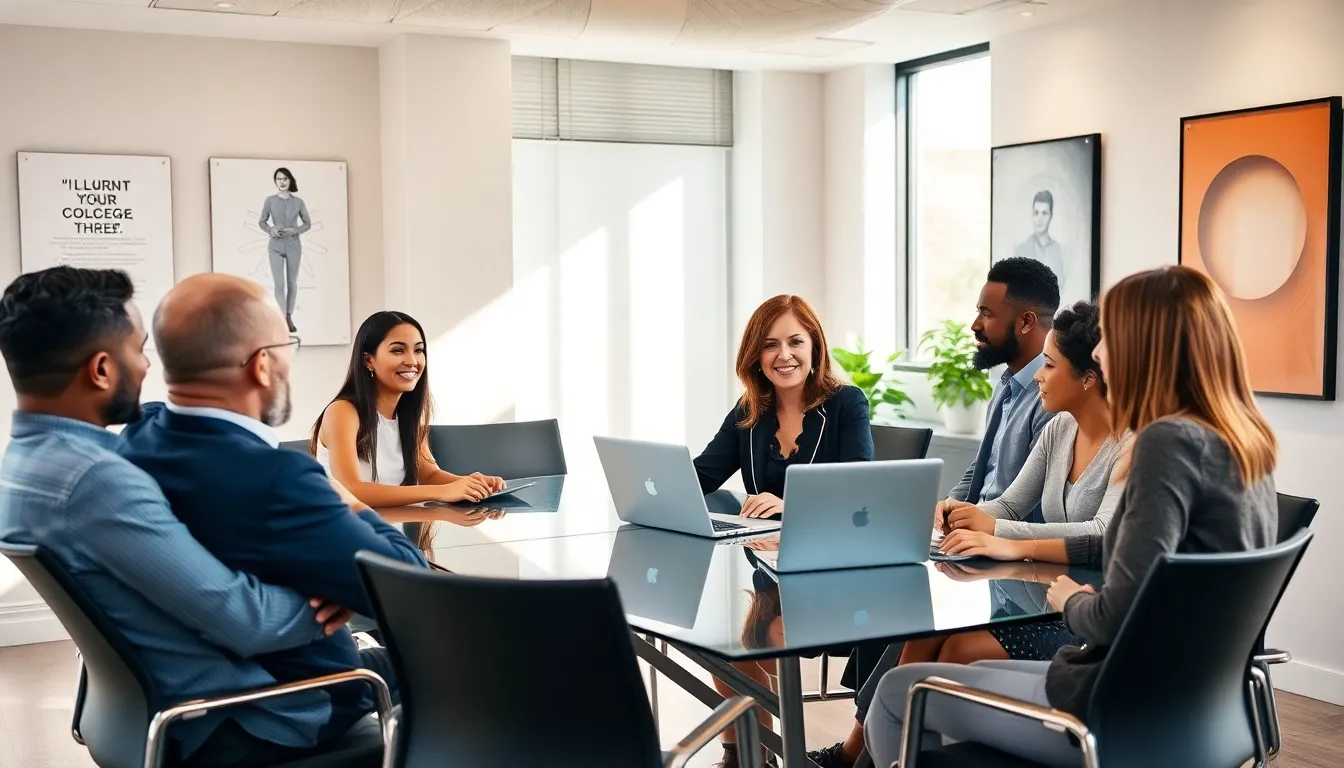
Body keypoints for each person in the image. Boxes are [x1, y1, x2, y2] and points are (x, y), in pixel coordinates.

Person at [865, 266, 1279, 768]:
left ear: (1145, 350)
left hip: (1114, 709)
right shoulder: (1243, 443)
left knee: (898, 694)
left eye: (1113, 339)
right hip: (1202, 710)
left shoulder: (1165, 444)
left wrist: (1072, 600)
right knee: (916, 676)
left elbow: (1112, 616)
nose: (1101, 354)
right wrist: (1014, 541)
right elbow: (1118, 545)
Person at [0, 267, 354, 766]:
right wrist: (339, 589)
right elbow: (249, 622)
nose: (148, 368)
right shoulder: (95, 479)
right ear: (101, 370)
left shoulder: (24, 464)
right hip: (236, 720)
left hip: (139, 710)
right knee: (441, 684)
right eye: (139, 349)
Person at [118, 273, 431, 765]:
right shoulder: (275, 478)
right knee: (463, 653)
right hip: (297, 700)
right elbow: (412, 583)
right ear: (263, 364)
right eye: (288, 344)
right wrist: (342, 498)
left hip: (185, 698)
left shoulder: (140, 436)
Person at [692, 294, 873, 768]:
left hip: (836, 575)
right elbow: (701, 475)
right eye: (771, 345)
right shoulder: (749, 412)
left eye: (796, 341)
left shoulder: (846, 404)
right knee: (724, 643)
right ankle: (746, 755)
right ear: (756, 355)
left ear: (815, 347)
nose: (784, 355)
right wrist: (660, 487)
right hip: (768, 573)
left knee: (754, 637)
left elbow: (859, 492)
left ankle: (773, 753)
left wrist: (791, 506)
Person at [908, 301, 1130, 665]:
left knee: (958, 650)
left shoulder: (1132, 444)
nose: (1039, 376)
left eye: (1049, 365)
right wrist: (967, 514)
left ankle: (908, 718)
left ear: (1089, 377)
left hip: (1088, 613)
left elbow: (1102, 532)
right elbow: (1010, 505)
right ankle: (880, 724)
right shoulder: (1061, 428)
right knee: (924, 636)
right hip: (1042, 594)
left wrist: (998, 533)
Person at [311, 310, 504, 508]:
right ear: (368, 360)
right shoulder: (342, 411)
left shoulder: (406, 415)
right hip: (344, 532)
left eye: (418, 350)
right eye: (397, 350)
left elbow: (429, 475)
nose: (412, 361)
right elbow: (351, 490)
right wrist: (443, 492)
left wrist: (471, 484)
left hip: (388, 529)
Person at [941, 257, 1061, 518]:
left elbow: (1031, 500)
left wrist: (976, 524)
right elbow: (985, 464)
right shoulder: (1006, 385)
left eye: (987, 313)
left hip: (1010, 541)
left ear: (1027, 322)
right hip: (977, 530)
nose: (975, 325)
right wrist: (950, 503)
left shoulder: (1053, 398)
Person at [258, 166, 311, 333]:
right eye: (279, 179)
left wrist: (295, 230)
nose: (282, 182)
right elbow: (262, 221)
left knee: (292, 283)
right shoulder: (270, 200)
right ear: (275, 181)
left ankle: (289, 316)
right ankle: (281, 318)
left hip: (294, 246)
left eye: (285, 179)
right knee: (279, 284)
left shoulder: (298, 202)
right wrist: (270, 230)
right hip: (275, 246)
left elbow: (307, 223)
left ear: (290, 180)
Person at [1013, 190, 1066, 288]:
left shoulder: (1058, 250)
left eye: (1044, 213)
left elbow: (1062, 286)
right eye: (1036, 213)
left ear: (1051, 215)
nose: (1039, 219)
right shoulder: (1021, 249)